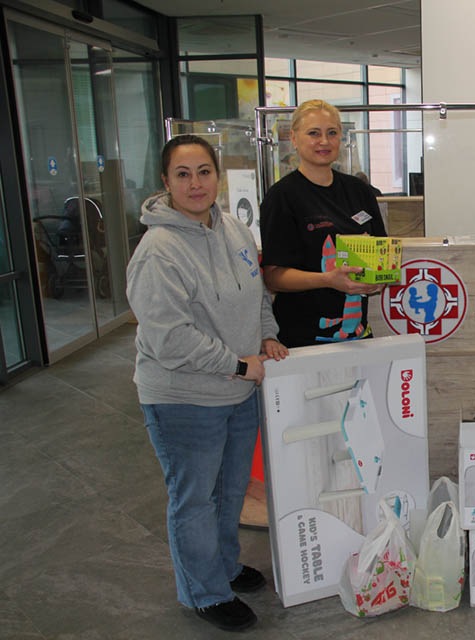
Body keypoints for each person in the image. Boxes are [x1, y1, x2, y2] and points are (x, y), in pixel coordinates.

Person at [126, 134, 288, 632]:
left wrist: (267, 335)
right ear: (165, 182)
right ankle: (204, 592)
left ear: (217, 176)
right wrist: (237, 365)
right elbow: (170, 339)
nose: (195, 184)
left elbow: (256, 294)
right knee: (195, 499)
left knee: (231, 489)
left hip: (236, 391)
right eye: (183, 174)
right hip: (184, 399)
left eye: (204, 172)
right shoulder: (158, 252)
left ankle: (223, 566)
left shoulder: (233, 228)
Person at [259, 99, 387, 347]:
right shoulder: (282, 197)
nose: (324, 141)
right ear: (294, 138)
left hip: (356, 336)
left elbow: (381, 251)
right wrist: (328, 279)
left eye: (332, 133)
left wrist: (378, 279)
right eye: (314, 133)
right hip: (303, 340)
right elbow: (274, 278)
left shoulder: (359, 191)